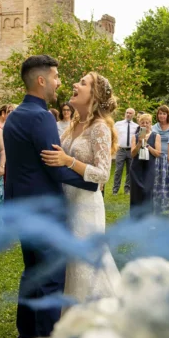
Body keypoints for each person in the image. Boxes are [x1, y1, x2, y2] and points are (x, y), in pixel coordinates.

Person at [2, 55, 100, 338]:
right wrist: (91, 182)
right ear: (41, 80)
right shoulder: (41, 116)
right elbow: (53, 165)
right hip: (44, 212)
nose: (60, 82)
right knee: (50, 282)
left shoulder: (15, 115)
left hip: (22, 210)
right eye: (56, 76)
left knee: (32, 276)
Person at [41, 71, 121, 304]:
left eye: (83, 83)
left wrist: (70, 162)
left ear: (93, 95)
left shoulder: (100, 128)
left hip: (86, 205)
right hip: (66, 202)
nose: (75, 84)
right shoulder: (74, 124)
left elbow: (103, 174)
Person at [129, 113, 160, 219]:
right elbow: (132, 154)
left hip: (149, 167)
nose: (145, 124)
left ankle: (148, 217)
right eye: (143, 122)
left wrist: (147, 145)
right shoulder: (135, 136)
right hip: (136, 168)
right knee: (136, 193)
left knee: (148, 192)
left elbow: (157, 154)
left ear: (151, 124)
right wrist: (139, 143)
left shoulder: (156, 136)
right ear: (139, 124)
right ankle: (135, 217)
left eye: (147, 122)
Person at [153, 105, 169, 217]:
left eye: (164, 113)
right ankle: (158, 209)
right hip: (157, 159)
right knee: (157, 184)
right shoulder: (154, 127)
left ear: (168, 115)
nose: (162, 115)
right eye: (160, 113)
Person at [112, 107, 138, 195]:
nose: (128, 114)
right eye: (127, 112)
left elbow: (138, 138)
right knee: (118, 170)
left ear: (133, 115)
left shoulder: (136, 126)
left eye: (130, 113)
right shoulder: (118, 124)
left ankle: (127, 189)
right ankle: (115, 189)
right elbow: (113, 135)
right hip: (120, 150)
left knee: (130, 171)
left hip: (131, 150)